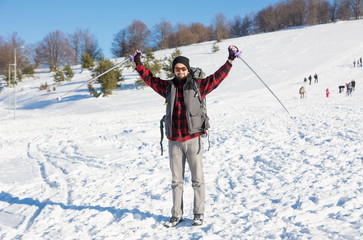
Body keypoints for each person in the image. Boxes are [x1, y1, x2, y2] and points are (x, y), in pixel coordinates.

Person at [131, 45, 240, 227]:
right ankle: (176, 215)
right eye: (177, 69)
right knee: (176, 181)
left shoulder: (198, 86)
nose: (180, 71)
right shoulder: (168, 87)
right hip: (174, 141)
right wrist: (138, 64)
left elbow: (217, 78)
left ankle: (198, 213)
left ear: (187, 70)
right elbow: (149, 79)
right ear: (173, 71)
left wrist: (230, 60)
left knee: (197, 180)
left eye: (183, 68)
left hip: (193, 139)